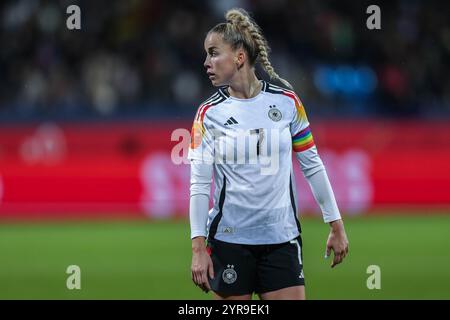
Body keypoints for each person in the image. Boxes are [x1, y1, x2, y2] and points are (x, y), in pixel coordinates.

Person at [188, 8, 349, 300]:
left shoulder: (287, 103)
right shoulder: (208, 114)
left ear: (239, 57)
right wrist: (199, 249)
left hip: (282, 240)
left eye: (213, 53)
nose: (206, 62)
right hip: (229, 242)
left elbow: (312, 165)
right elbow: (199, 185)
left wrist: (336, 225)